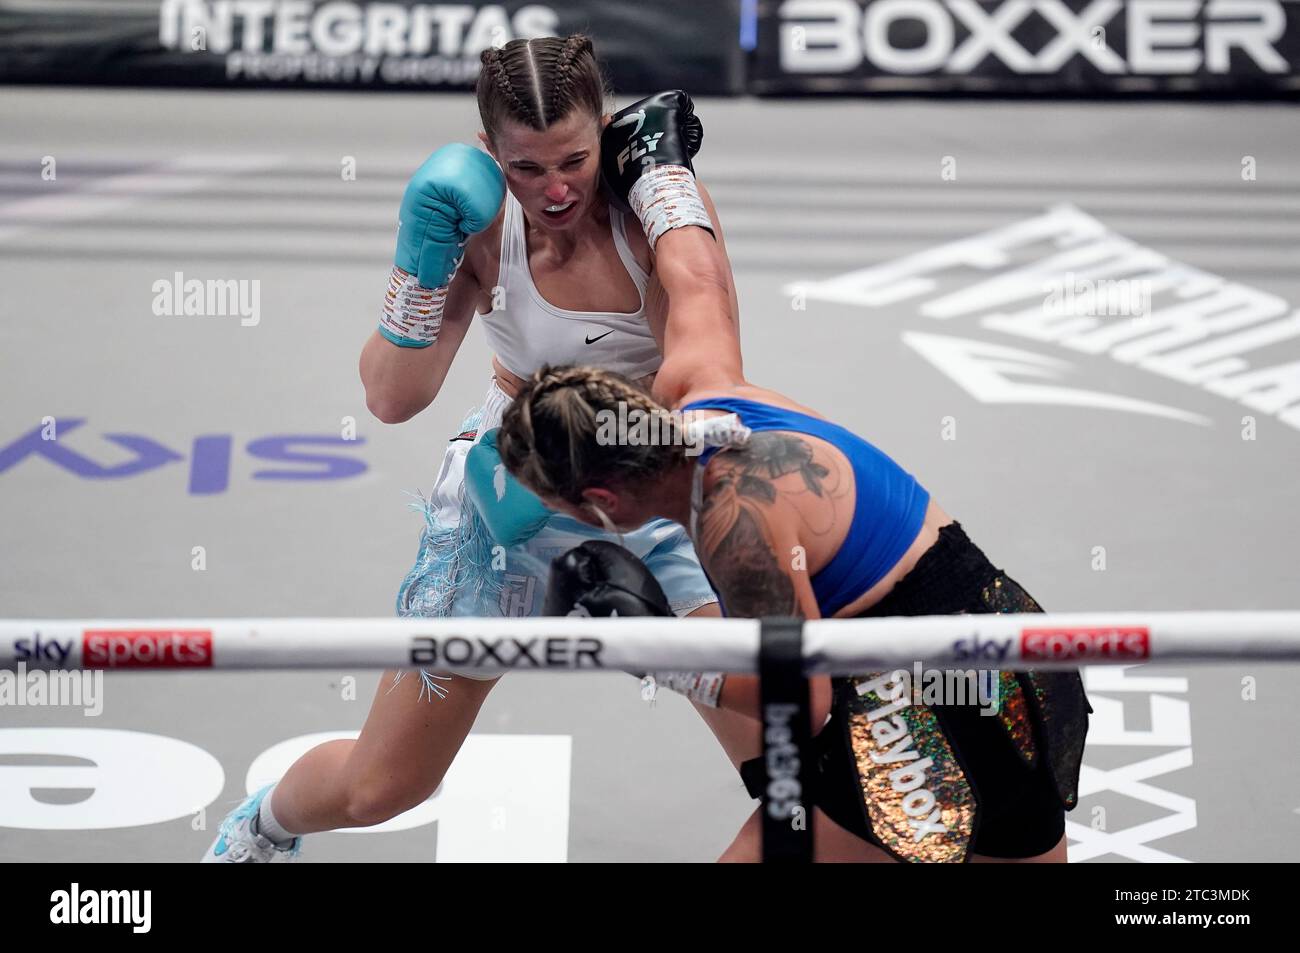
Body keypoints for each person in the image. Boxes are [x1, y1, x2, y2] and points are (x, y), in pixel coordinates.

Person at [202, 33, 753, 862]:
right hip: (507, 495)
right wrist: (420, 260)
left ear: (604, 129)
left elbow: (710, 364)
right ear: (491, 151)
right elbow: (394, 396)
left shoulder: (659, 209)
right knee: (381, 786)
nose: (556, 188)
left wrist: (644, 463)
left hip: (658, 494)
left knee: (795, 768)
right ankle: (260, 828)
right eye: (527, 168)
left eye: (573, 158)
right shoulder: (478, 220)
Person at [493, 149, 1090, 862]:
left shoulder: (730, 520)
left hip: (922, 704)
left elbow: (800, 706)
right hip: (997, 638)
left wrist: (655, 647)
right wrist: (661, 174)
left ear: (598, 498)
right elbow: (697, 279)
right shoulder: (700, 381)